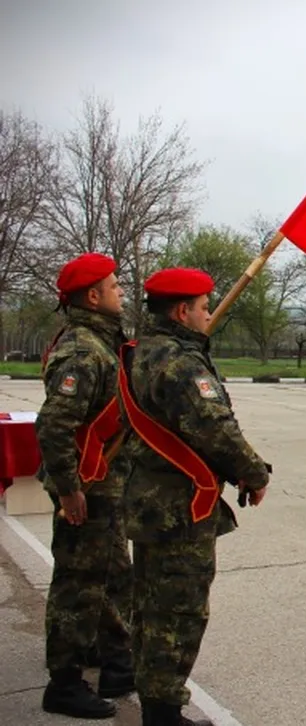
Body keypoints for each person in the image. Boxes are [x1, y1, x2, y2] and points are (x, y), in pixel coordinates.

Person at [119, 268, 270, 726]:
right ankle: (164, 714)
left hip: (150, 500)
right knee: (179, 613)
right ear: (182, 311)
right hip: (178, 509)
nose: (208, 315)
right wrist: (253, 472)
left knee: (150, 608)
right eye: (204, 307)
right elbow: (215, 429)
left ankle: (156, 706)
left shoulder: (142, 351)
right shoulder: (180, 364)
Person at [35, 253, 134, 719]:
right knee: (77, 585)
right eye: (114, 286)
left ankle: (115, 663)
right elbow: (55, 425)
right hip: (85, 485)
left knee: (114, 576)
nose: (121, 292)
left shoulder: (103, 342)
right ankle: (64, 683)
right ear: (93, 297)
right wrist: (70, 490)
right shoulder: (83, 351)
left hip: (103, 484)